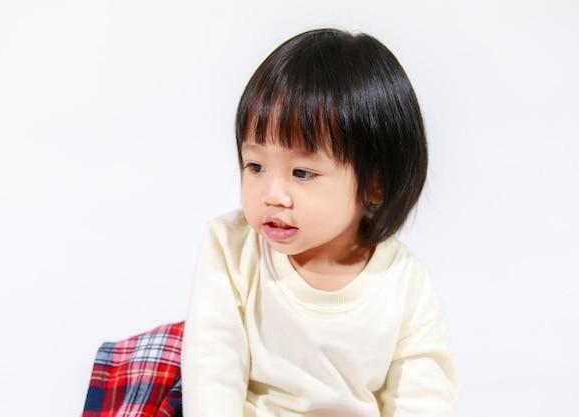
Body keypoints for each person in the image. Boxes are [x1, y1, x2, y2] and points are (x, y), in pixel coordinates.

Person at [181, 28, 458, 417]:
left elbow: (422, 397)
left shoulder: (404, 284)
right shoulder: (231, 248)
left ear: (374, 185)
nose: (272, 193)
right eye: (255, 165)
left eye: (302, 173)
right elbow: (212, 372)